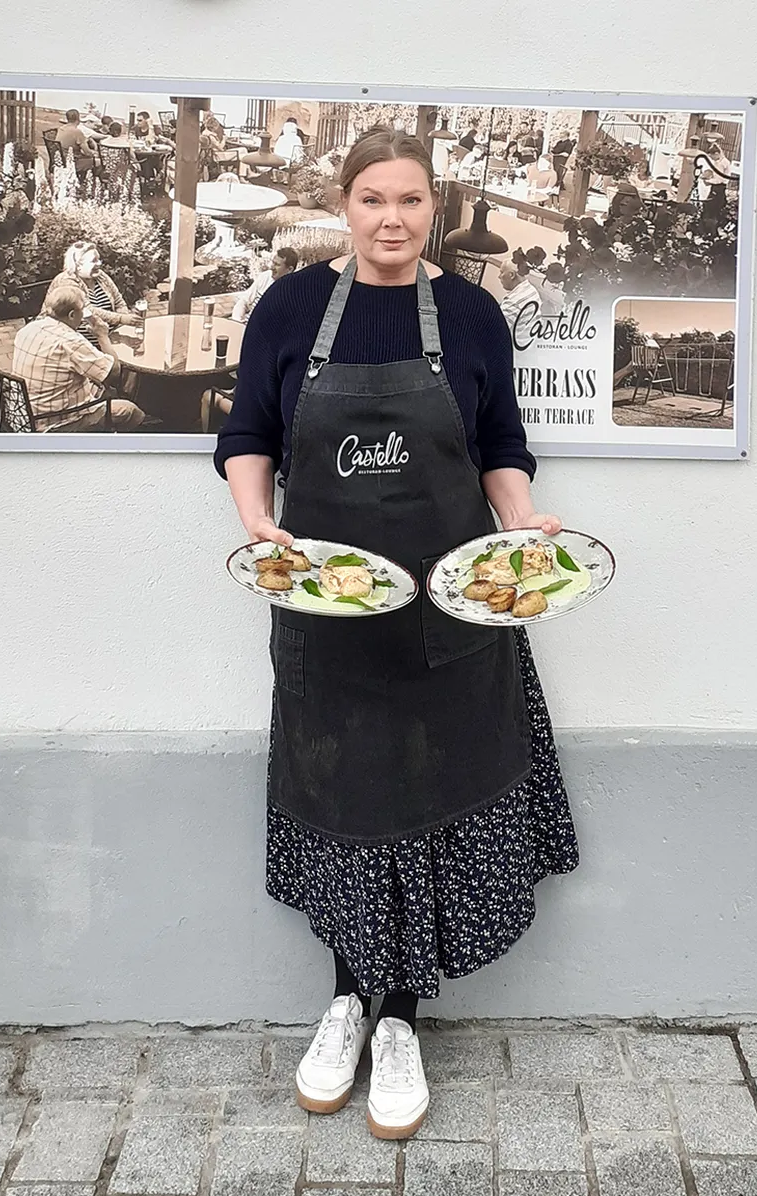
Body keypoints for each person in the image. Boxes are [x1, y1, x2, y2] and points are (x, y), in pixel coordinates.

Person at [214, 128, 577, 1141]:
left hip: (451, 609)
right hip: (328, 609)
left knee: (425, 796)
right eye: (371, 199)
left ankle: (402, 1019)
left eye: (408, 201)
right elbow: (246, 434)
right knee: (346, 797)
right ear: (343, 202)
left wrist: (518, 525)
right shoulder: (288, 309)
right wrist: (259, 524)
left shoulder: (468, 314)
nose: (389, 219)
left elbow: (501, 443)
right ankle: (345, 1002)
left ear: (433, 208)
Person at [11, 283, 146, 432]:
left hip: (22, 415)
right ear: (72, 315)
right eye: (83, 310)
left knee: (102, 388)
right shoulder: (71, 342)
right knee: (130, 411)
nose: (84, 315)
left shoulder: (28, 329)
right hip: (55, 424)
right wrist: (102, 336)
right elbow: (114, 372)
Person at [49, 241, 134, 339]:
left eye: (99, 259)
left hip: (108, 338)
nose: (99, 263)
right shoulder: (66, 281)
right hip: (76, 342)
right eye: (94, 260)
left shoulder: (100, 276)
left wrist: (120, 327)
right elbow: (86, 310)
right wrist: (120, 318)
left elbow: (119, 301)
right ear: (78, 265)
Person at [232, 246, 299, 323]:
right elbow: (244, 301)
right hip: (246, 324)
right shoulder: (265, 276)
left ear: (289, 269)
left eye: (277, 264)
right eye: (273, 263)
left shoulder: (293, 293)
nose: (272, 267)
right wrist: (237, 322)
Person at [56, 110, 99, 181]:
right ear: (78, 119)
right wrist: (95, 153)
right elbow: (88, 153)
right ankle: (88, 183)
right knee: (99, 162)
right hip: (73, 162)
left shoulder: (61, 128)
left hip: (62, 159)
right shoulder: (77, 132)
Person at [497, 259, 541, 327]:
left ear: (511, 275)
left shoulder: (513, 303)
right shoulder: (531, 290)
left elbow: (495, 329)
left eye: (501, 272)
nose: (499, 276)